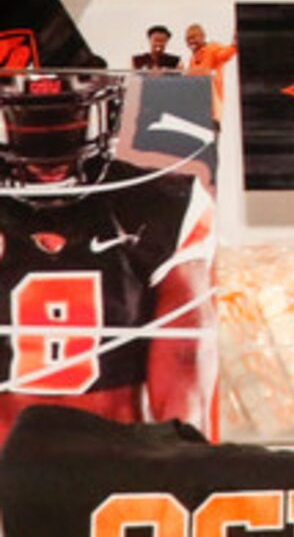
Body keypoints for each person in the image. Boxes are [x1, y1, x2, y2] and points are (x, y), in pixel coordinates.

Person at [0, 71, 213, 440]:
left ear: (107, 113)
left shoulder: (159, 201)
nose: (49, 152)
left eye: (66, 124)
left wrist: (181, 465)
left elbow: (185, 359)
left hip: (116, 463)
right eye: (30, 126)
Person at [181, 24, 235, 120]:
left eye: (194, 38)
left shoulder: (212, 48)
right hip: (197, 102)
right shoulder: (193, 58)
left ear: (203, 37)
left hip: (212, 103)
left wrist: (234, 45)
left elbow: (224, 55)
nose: (191, 41)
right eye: (188, 39)